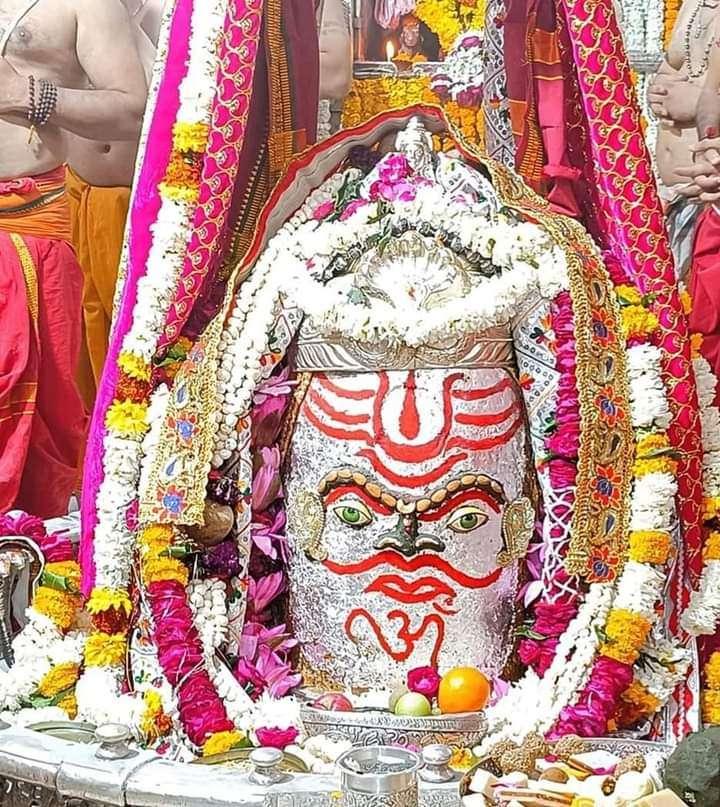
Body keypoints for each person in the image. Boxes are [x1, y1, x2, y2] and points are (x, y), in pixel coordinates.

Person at [0, 0, 147, 518]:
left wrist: (26, 95)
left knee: (35, 421)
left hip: (31, 229)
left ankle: (29, 566)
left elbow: (133, 107)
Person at [66, 0, 162, 409]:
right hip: (73, 196)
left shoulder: (168, 13)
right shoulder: (60, 11)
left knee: (136, 334)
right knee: (75, 336)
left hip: (146, 203)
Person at [647, 0, 720, 280]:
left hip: (707, 198)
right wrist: (656, 93)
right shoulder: (693, 3)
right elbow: (669, 68)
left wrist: (700, 99)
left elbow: (709, 94)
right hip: (670, 196)